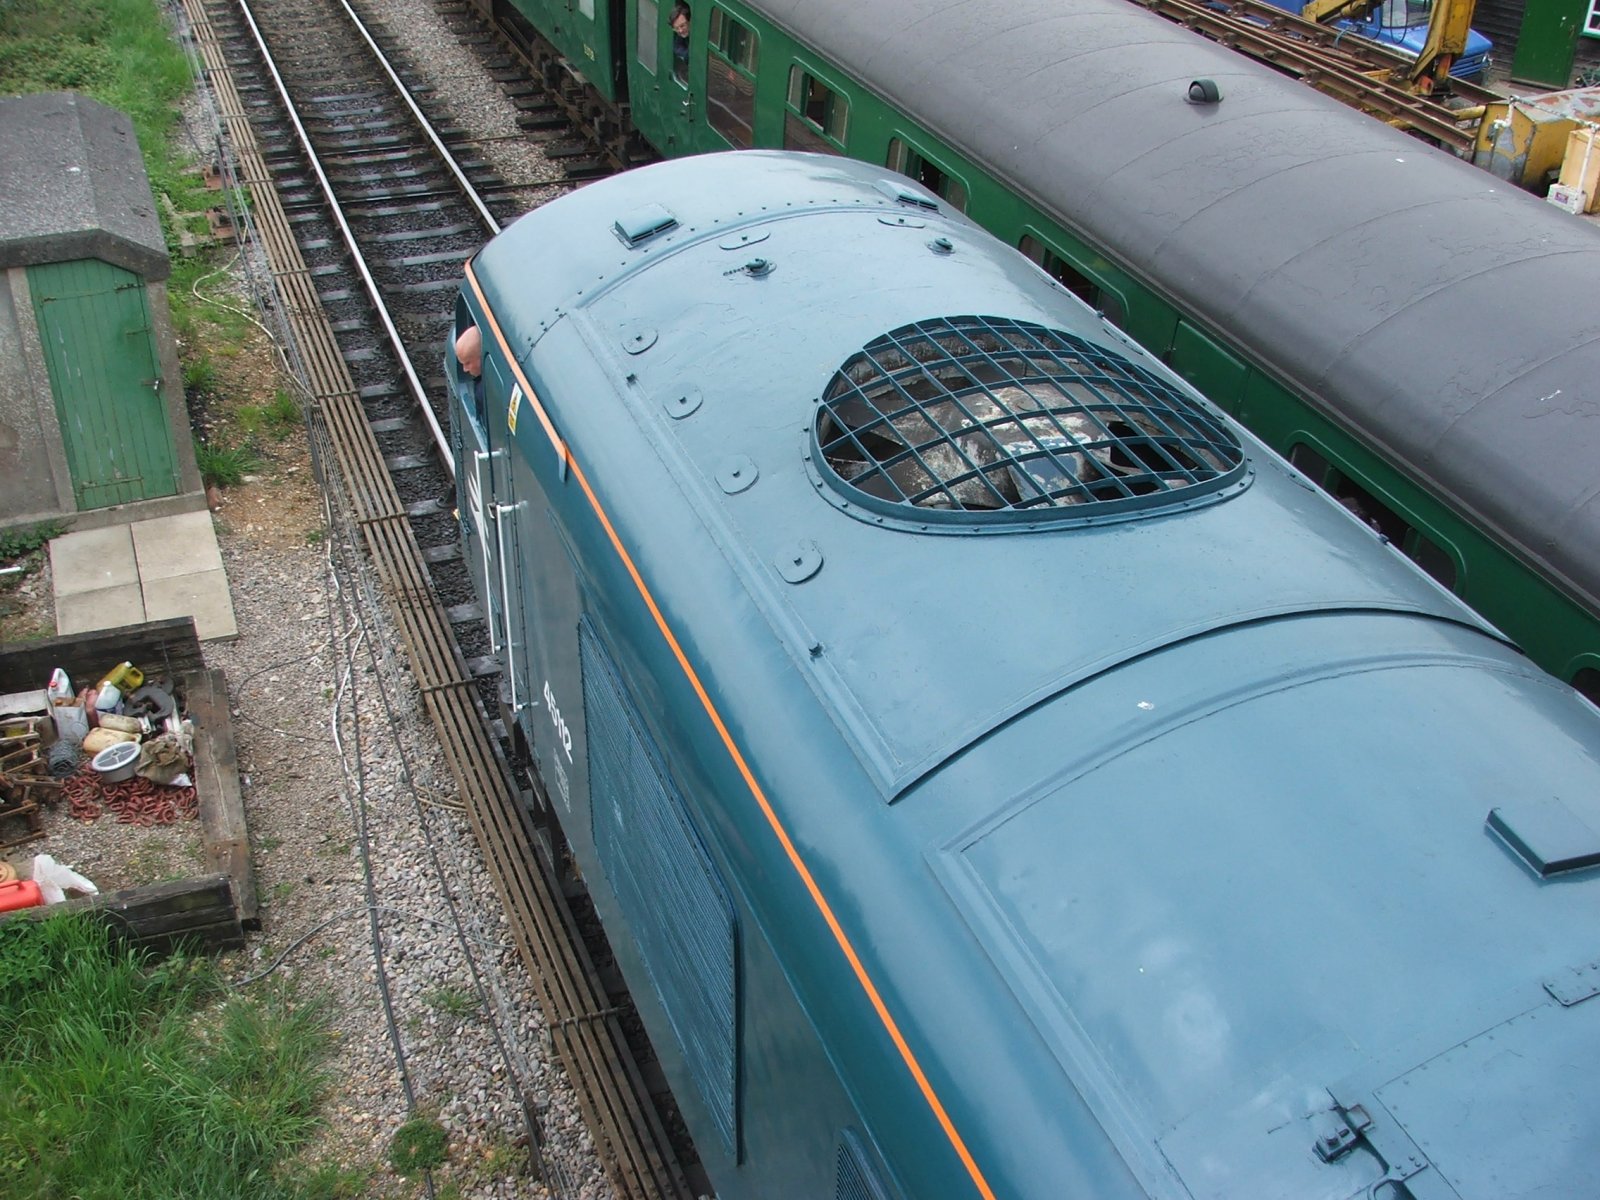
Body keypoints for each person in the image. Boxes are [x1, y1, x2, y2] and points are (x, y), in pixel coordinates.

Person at [670, 2, 690, 84]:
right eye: (676, 28)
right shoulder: (679, 35)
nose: (680, 31)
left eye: (683, 26)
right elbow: (677, 48)